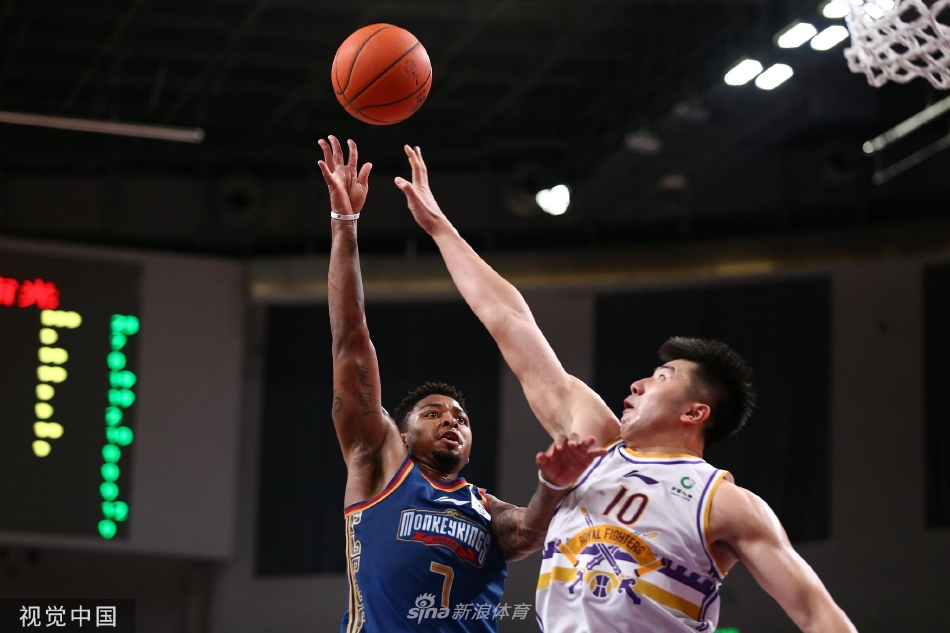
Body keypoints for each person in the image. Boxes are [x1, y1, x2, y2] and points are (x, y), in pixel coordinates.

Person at [394, 144, 859, 633]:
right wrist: (440, 229)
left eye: (661, 378)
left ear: (694, 412)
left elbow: (817, 613)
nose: (637, 384)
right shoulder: (594, 441)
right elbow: (510, 321)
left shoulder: (725, 503)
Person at [319, 136, 605, 633]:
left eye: (461, 418)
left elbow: (528, 532)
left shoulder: (484, 507)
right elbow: (350, 340)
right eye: (433, 414)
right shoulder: (377, 460)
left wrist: (552, 484)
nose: (451, 421)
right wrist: (345, 223)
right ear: (403, 434)